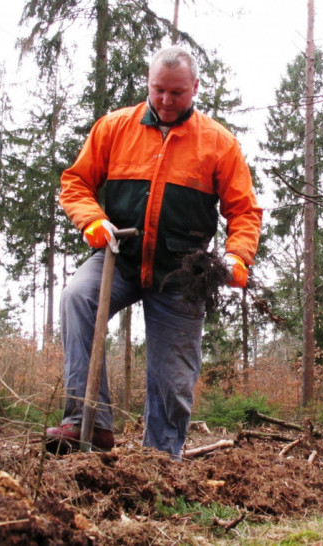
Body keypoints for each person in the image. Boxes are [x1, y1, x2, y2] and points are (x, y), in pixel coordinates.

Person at [45, 46, 262, 458]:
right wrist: (91, 220)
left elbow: (244, 210)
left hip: (182, 273)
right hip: (119, 257)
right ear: (148, 84)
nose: (165, 100)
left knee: (172, 376)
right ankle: (88, 422)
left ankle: (159, 461)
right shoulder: (114, 128)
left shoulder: (218, 143)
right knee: (77, 298)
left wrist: (237, 256)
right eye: (158, 90)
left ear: (195, 87)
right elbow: (75, 183)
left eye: (177, 93)